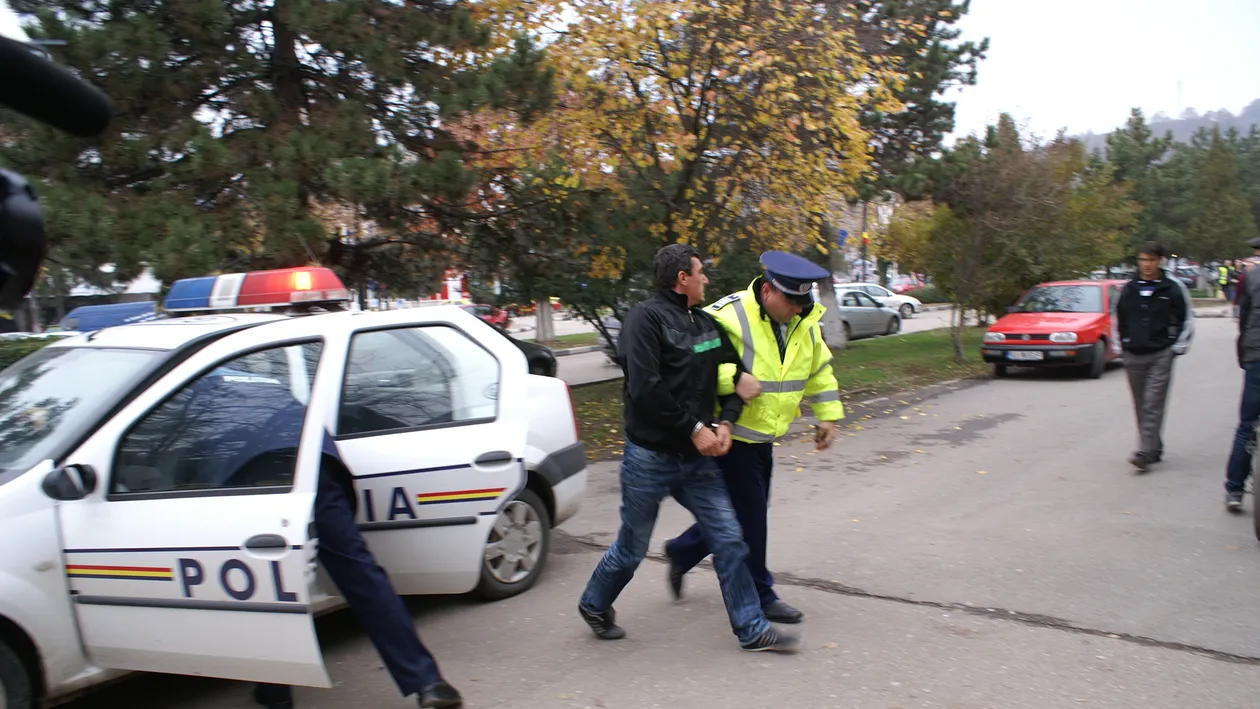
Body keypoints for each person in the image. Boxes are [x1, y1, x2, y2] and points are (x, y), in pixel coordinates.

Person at [577, 243, 799, 653]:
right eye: (701, 273)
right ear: (682, 278)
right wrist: (696, 427)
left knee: (730, 538)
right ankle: (593, 603)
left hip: (698, 459)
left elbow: (737, 377)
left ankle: (751, 628)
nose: (706, 280)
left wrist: (727, 421)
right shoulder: (644, 319)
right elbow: (646, 389)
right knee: (632, 547)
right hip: (650, 458)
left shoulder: (704, 324)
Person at [664, 251, 844, 624]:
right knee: (752, 519)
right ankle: (761, 594)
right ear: (767, 290)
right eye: (791, 301)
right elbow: (694, 366)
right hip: (730, 437)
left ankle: (683, 550)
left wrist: (827, 416)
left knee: (738, 515)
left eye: (802, 301)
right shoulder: (725, 314)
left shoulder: (804, 320)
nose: (797, 309)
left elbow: (819, 369)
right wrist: (733, 380)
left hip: (764, 436)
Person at [254, 443, 463, 709]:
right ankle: (429, 683)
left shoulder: (208, 403)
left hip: (245, 467)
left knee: (268, 574)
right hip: (309, 455)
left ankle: (275, 690)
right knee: (360, 571)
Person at [1116, 241, 1195, 472]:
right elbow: (1116, 317)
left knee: (1153, 403)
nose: (1146, 265)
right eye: (1142, 260)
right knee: (1141, 403)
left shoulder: (1173, 287)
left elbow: (1187, 318)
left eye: (1150, 260)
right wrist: (1121, 345)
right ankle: (1154, 447)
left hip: (1161, 353)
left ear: (1160, 260)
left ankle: (1143, 452)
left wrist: (1176, 347)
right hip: (1133, 353)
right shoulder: (1129, 288)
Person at [1223, 238, 1260, 510]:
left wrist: (1245, 356)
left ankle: (1234, 489)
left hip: (1256, 355)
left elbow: (1243, 321)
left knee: (1247, 424)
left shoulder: (1251, 278)